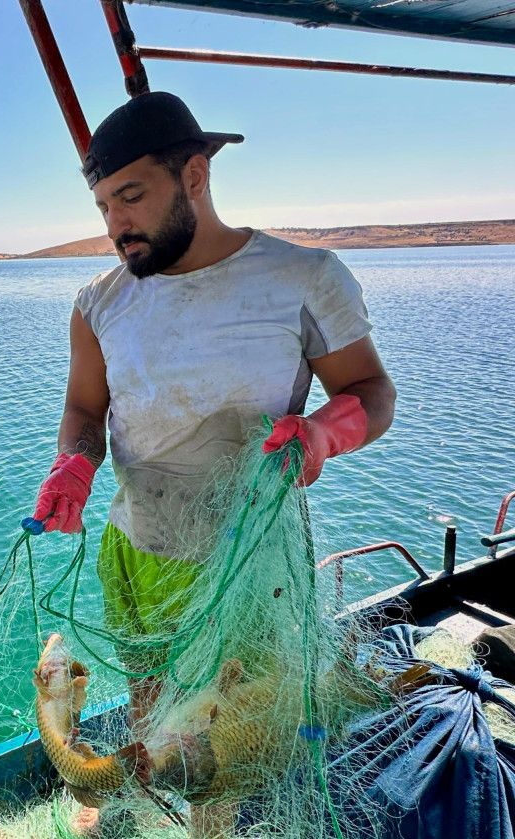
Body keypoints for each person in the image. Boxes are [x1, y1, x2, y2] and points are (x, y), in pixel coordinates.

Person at [29, 91, 396, 835]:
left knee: (216, 745)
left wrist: (325, 432)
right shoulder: (97, 303)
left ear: (194, 175)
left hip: (245, 568)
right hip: (133, 548)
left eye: (131, 196)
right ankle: (155, 813)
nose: (115, 225)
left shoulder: (304, 278)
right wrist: (74, 464)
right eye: (102, 205)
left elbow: (371, 391)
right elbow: (85, 411)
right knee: (146, 713)